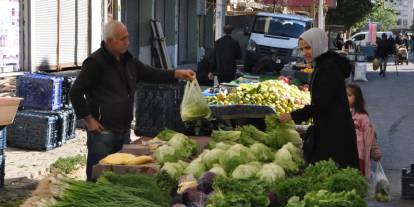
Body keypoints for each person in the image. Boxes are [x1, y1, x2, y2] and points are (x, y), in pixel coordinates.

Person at [69, 21, 195, 181]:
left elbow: (150, 73)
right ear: (109, 41)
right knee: (98, 176)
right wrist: (88, 120)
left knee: (121, 177)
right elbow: (75, 92)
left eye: (127, 38)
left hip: (124, 130)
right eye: (123, 39)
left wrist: (177, 74)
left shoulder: (127, 60)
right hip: (103, 132)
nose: (127, 42)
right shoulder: (95, 63)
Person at [279, 28, 359, 169]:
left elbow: (322, 104)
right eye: (302, 49)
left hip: (334, 132)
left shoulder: (328, 67)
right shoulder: (323, 63)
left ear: (318, 44)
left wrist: (292, 115)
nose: (305, 52)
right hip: (331, 127)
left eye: (308, 47)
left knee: (334, 174)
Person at [346, 84, 382, 179]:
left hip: (359, 157)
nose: (346, 98)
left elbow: (370, 137)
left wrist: (376, 153)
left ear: (357, 98)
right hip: (346, 155)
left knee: (358, 181)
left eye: (349, 95)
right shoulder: (341, 114)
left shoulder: (362, 117)